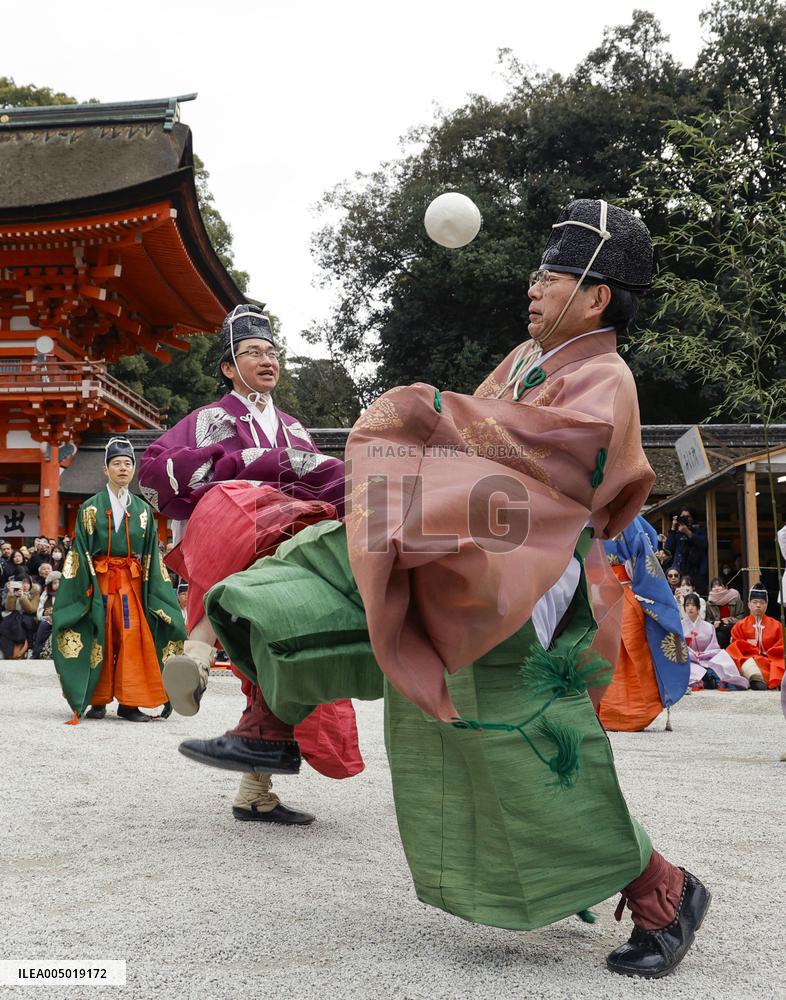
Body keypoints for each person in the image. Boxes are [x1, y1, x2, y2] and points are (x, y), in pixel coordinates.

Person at [204, 200, 710, 978]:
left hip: (523, 572)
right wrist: (420, 460)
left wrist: (421, 415)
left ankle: (663, 889)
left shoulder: (605, 378)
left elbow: (517, 459)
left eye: (550, 278)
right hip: (471, 548)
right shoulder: (523, 360)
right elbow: (464, 450)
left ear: (597, 295)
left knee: (524, 748)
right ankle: (267, 714)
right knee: (383, 636)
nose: (532, 290)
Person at [138, 304, 363, 825]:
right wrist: (232, 470)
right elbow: (155, 474)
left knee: (280, 660)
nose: (267, 360)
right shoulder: (211, 420)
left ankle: (254, 788)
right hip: (238, 530)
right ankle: (196, 656)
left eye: (271, 353)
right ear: (227, 368)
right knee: (246, 593)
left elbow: (326, 482)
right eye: (253, 353)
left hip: (290, 544)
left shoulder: (292, 427)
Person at [52, 437, 186, 723]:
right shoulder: (90, 508)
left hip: (132, 584)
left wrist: (158, 593)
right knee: (101, 634)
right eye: (116, 464)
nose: (123, 469)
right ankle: (97, 700)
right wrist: (79, 592)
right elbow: (79, 554)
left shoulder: (143, 511)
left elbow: (151, 554)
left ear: (134, 469)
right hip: (100, 580)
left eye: (128, 464)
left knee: (132, 636)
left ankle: (130, 702)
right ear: (105, 470)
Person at [597, 516, 689, 732]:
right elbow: (645, 562)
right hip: (618, 594)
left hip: (599, 595)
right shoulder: (627, 521)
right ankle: (626, 711)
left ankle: (617, 712)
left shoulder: (590, 517)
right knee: (623, 653)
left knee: (619, 653)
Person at [681, 594, 747, 690]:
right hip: (689, 660)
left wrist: (703, 654)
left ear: (698, 608)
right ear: (684, 608)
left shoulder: (709, 626)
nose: (690, 608)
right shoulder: (679, 626)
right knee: (690, 670)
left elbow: (713, 646)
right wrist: (692, 653)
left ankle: (721, 680)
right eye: (687, 605)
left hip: (706, 657)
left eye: (693, 605)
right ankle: (708, 680)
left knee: (722, 657)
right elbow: (679, 646)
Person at [726, 583, 785, 691]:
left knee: (780, 662)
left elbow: (781, 645)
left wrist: (770, 653)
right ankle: (760, 680)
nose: (758, 605)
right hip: (751, 662)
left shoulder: (777, 626)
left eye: (762, 602)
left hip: (770, 662)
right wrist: (750, 649)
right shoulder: (740, 625)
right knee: (741, 660)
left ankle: (769, 680)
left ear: (766, 605)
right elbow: (735, 647)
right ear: (748, 604)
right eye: (755, 602)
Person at [665, 509, 708, 595]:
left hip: (695, 572)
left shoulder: (698, 530)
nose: (685, 518)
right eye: (683, 517)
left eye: (687, 516)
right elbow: (667, 549)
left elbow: (704, 544)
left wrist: (688, 532)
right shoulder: (677, 533)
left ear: (692, 518)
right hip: (679, 571)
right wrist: (673, 529)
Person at [0, 574, 40, 658]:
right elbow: (9, 608)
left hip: (30, 617)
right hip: (15, 617)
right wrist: (11, 595)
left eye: (27, 583)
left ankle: (30, 648)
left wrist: (22, 597)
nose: (25, 585)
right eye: (22, 583)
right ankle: (6, 650)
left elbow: (31, 609)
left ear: (31, 584)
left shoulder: (35, 593)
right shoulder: (14, 592)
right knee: (6, 623)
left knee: (24, 621)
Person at [705, 577, 745, 648]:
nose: (716, 588)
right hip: (719, 630)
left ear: (725, 587)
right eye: (713, 586)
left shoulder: (736, 599)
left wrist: (729, 620)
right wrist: (713, 623)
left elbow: (742, 617)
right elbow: (707, 619)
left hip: (734, 628)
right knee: (719, 636)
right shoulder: (709, 603)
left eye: (719, 585)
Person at [32, 570, 60, 659]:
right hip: (48, 620)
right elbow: (39, 612)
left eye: (59, 582)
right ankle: (36, 652)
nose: (57, 585)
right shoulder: (45, 595)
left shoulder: (66, 595)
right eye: (55, 583)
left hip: (62, 620)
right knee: (43, 626)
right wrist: (45, 614)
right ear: (50, 584)